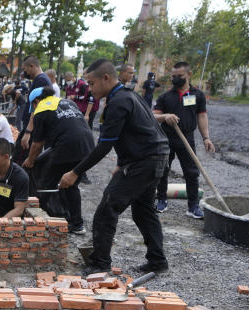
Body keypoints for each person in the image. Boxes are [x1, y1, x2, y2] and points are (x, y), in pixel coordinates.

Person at [59, 59, 170, 276]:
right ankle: (158, 261)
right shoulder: (127, 96)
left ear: (106, 78)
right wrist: (122, 163)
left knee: (107, 208)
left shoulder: (119, 102)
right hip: (153, 158)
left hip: (145, 161)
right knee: (143, 211)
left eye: (91, 84)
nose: (89, 89)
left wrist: (75, 172)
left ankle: (100, 263)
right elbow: (135, 132)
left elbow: (105, 145)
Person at [21, 86, 95, 234]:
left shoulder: (41, 110)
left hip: (66, 147)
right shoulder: (66, 102)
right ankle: (77, 224)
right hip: (87, 145)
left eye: (33, 106)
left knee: (45, 183)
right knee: (70, 185)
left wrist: (29, 161)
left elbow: (37, 144)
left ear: (36, 101)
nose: (33, 109)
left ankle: (42, 221)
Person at [153, 61, 215, 219]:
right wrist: (165, 116)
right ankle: (161, 200)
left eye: (179, 76)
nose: (175, 79)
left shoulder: (197, 95)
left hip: (187, 138)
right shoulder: (166, 96)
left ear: (189, 74)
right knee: (163, 170)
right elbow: (152, 116)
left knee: (192, 172)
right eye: (173, 77)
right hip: (166, 138)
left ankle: (193, 206)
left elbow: (202, 116)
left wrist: (206, 138)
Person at [18, 56, 50, 136]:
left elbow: (37, 107)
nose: (25, 72)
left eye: (25, 69)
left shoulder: (41, 80)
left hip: (33, 127)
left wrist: (28, 131)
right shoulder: (40, 79)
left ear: (32, 66)